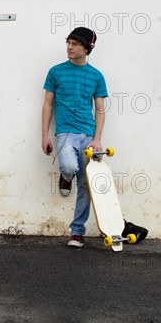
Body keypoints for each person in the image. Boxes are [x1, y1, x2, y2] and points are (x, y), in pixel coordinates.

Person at [41, 27, 108, 248]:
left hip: (88, 136)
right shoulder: (56, 72)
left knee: (86, 186)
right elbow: (48, 104)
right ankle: (65, 176)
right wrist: (44, 135)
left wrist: (97, 139)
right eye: (68, 42)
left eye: (75, 44)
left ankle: (76, 232)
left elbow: (99, 110)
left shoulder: (97, 76)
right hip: (65, 134)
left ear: (87, 48)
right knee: (69, 166)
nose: (69, 47)